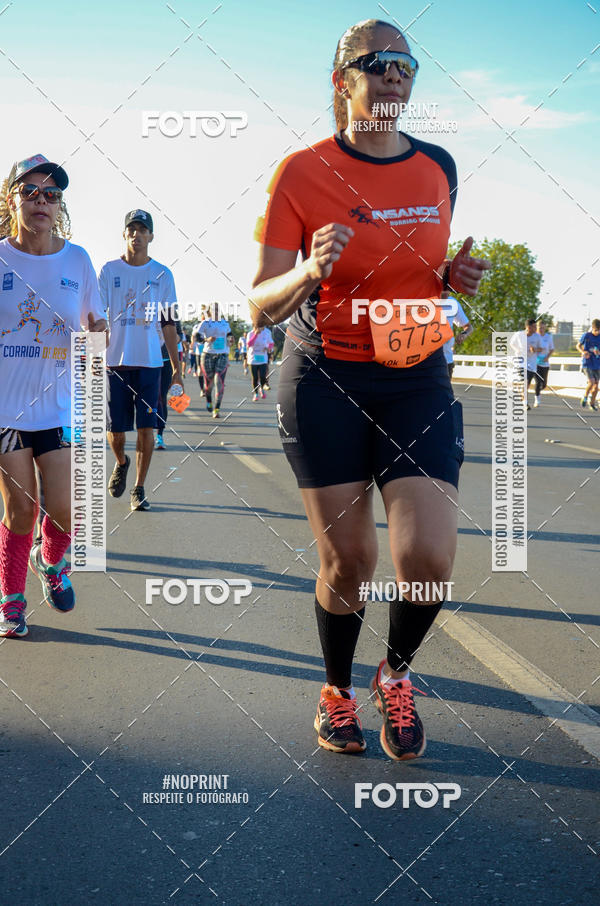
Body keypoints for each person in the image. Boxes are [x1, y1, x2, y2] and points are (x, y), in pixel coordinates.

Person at [251, 19, 489, 760]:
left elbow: (420, 272)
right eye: (378, 63)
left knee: (429, 561)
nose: (395, 75)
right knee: (349, 560)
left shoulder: (438, 166)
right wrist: (310, 271)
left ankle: (396, 673)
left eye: (406, 65)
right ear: (343, 80)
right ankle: (335, 690)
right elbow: (262, 301)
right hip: (326, 377)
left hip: (416, 374)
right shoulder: (302, 171)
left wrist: (453, 279)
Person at [0, 154, 106, 637]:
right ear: (12, 199)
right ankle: (11, 599)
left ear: (60, 205)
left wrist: (100, 334)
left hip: (61, 407)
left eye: (52, 194)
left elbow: (94, 324)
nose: (42, 201)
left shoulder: (77, 259)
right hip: (6, 411)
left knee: (69, 509)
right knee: (21, 509)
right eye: (31, 192)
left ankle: (52, 559)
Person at [99, 210, 182, 511]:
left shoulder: (162, 274)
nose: (136, 234)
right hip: (116, 364)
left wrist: (176, 369)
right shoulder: (108, 271)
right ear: (124, 234)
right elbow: (97, 318)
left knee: (147, 428)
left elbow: (169, 323)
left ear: (151, 236)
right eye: (131, 229)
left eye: (142, 229)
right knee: (116, 431)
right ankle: (121, 461)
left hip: (150, 365)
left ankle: (139, 488)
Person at [156, 318, 184, 450]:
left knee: (161, 397)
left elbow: (179, 336)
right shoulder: (144, 307)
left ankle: (159, 435)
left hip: (166, 361)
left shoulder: (171, 313)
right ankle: (145, 431)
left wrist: (174, 336)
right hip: (146, 360)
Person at [200, 302, 231, 418]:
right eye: (214, 309)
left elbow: (229, 335)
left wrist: (230, 340)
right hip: (207, 355)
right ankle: (209, 400)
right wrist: (207, 339)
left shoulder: (224, 323)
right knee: (209, 384)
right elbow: (197, 337)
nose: (217, 312)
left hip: (222, 355)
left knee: (219, 381)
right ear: (210, 311)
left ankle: (216, 409)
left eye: (218, 309)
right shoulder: (205, 323)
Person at [442, 294, 472, 381]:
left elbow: (468, 327)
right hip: (425, 362)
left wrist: (463, 334)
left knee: (445, 394)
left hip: (446, 361)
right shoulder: (422, 300)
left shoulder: (452, 302)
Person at [577, 318, 600, 410]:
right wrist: (583, 352)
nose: (597, 332)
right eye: (596, 330)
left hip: (597, 364)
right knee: (591, 382)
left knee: (596, 387)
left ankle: (592, 403)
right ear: (592, 328)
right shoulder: (586, 335)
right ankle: (585, 396)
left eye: (599, 330)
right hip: (587, 363)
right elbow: (578, 345)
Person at [247, 325, 274, 400]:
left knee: (262, 376)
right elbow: (249, 344)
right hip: (253, 359)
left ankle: (261, 389)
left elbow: (271, 343)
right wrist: (255, 334)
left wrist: (269, 348)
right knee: (255, 377)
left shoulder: (267, 332)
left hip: (263, 358)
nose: (259, 328)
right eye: (257, 326)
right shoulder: (250, 333)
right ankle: (255, 394)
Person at [533, 319, 554, 407]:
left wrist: (547, 357)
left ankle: (538, 391)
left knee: (544, 384)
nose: (541, 329)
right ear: (536, 327)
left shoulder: (548, 337)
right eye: (539, 327)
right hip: (535, 363)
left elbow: (552, 349)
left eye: (542, 327)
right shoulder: (534, 336)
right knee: (538, 381)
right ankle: (537, 399)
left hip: (545, 363)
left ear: (545, 328)